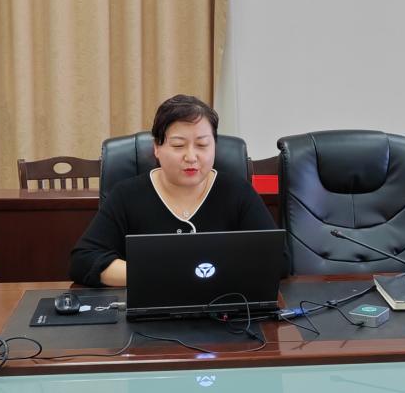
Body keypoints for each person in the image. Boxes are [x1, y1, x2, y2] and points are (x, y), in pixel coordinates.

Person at [69, 94, 277, 287]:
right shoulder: (127, 195)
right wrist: (162, 274)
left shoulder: (237, 191)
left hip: (224, 307)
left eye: (202, 145)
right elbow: (84, 261)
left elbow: (277, 258)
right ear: (157, 147)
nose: (191, 157)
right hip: (151, 308)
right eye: (178, 146)